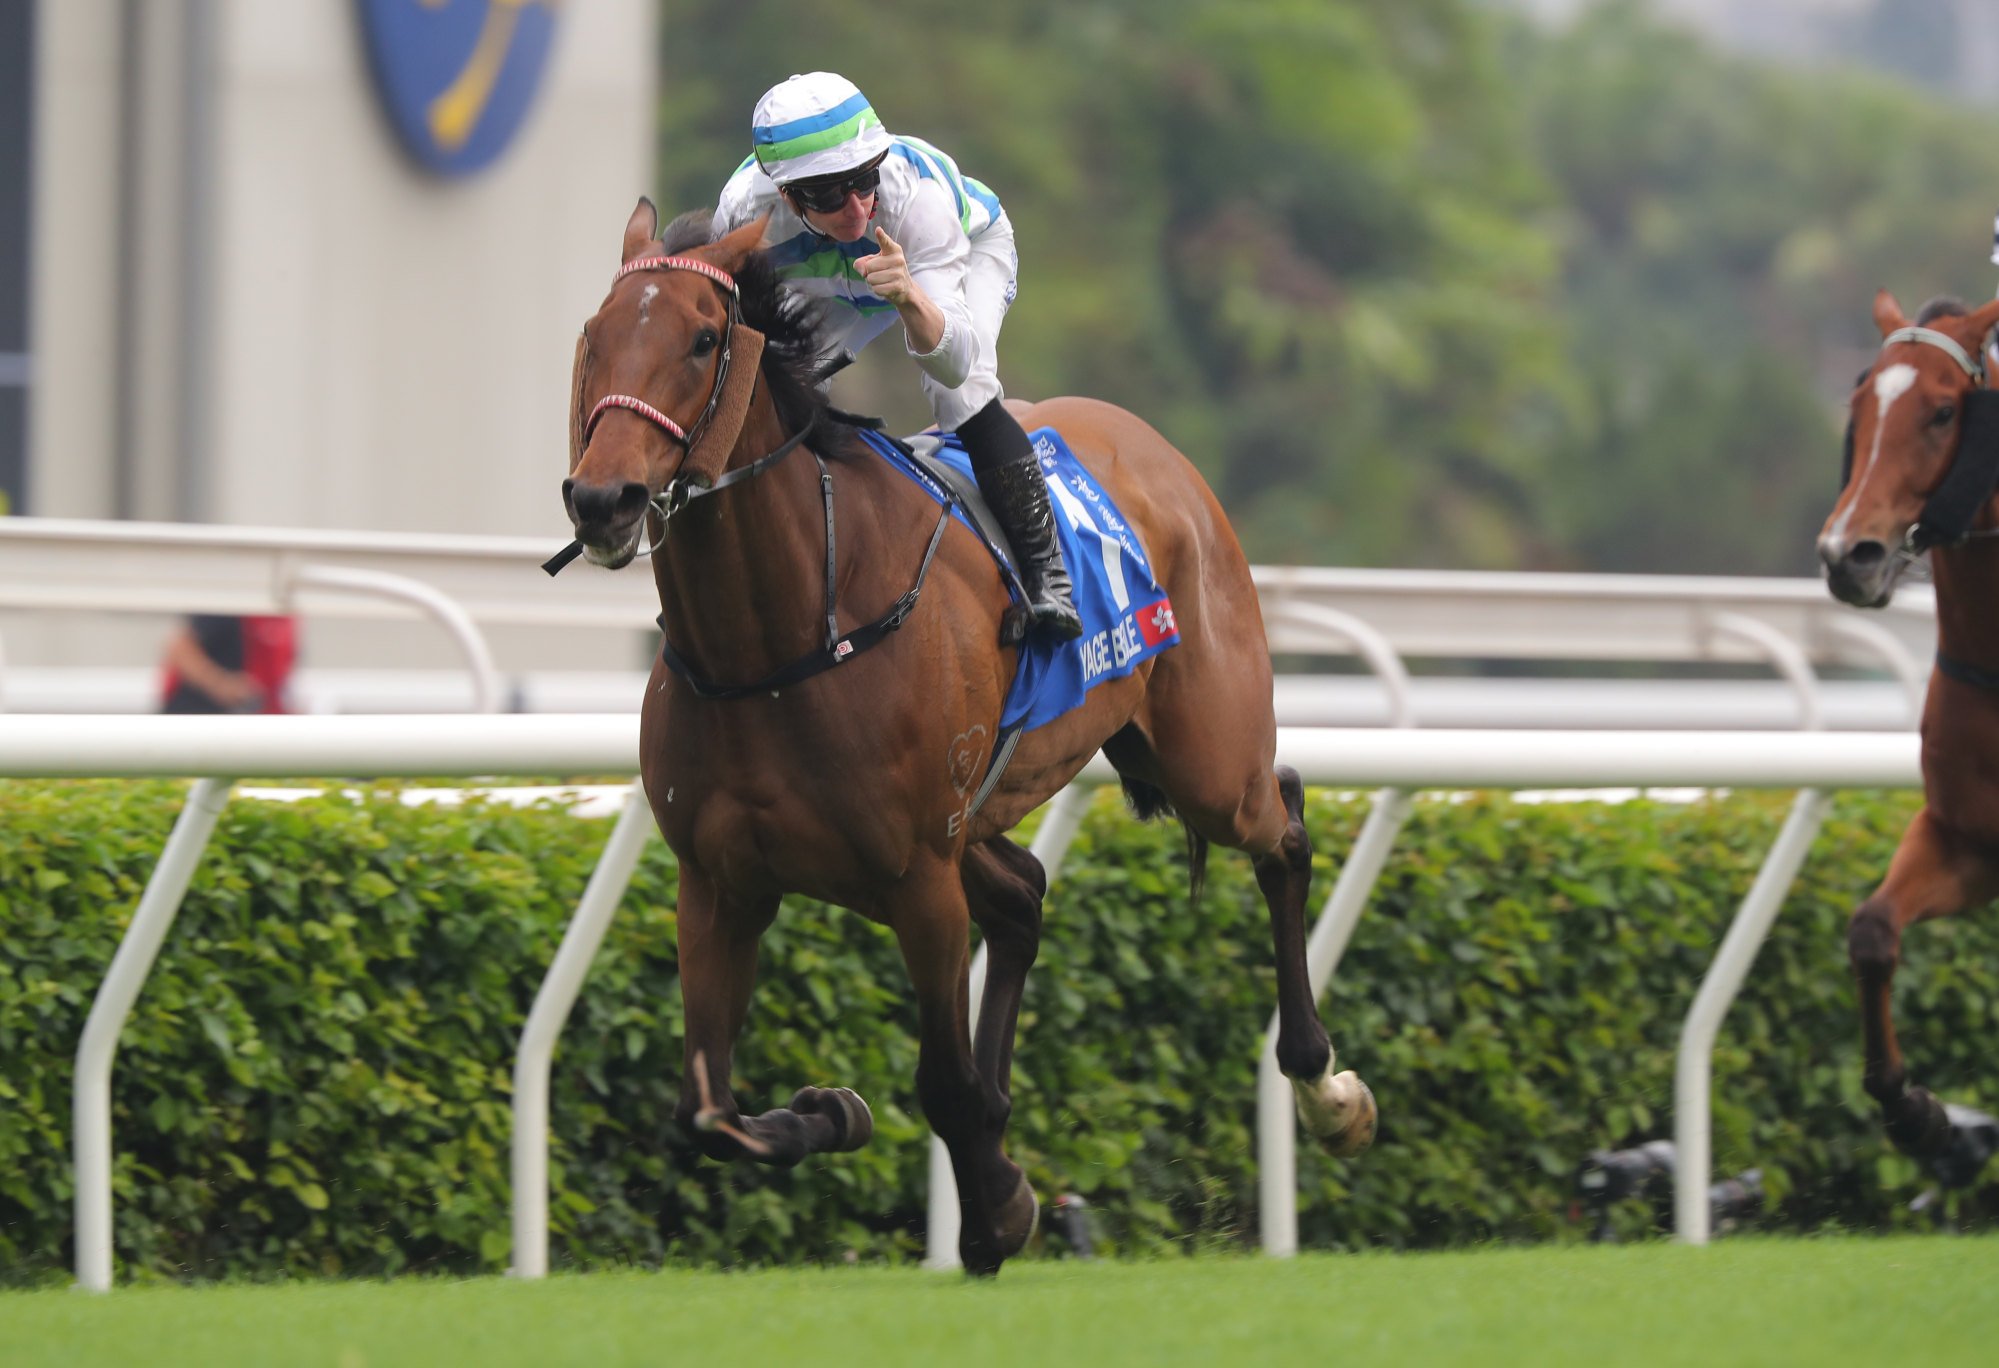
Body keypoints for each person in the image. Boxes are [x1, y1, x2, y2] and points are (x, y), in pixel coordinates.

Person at [712, 72, 1081, 641]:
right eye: (831, 195)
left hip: (952, 256)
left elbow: (954, 359)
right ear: (785, 195)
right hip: (836, 284)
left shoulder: (917, 200)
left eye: (864, 181)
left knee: (961, 393)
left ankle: (1047, 575)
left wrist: (909, 294)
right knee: (779, 390)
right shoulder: (742, 217)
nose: (858, 211)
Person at [158, 614, 298, 715]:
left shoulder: (283, 615)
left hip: (247, 715)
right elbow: (179, 648)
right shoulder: (228, 607)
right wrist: (223, 685)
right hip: (198, 714)